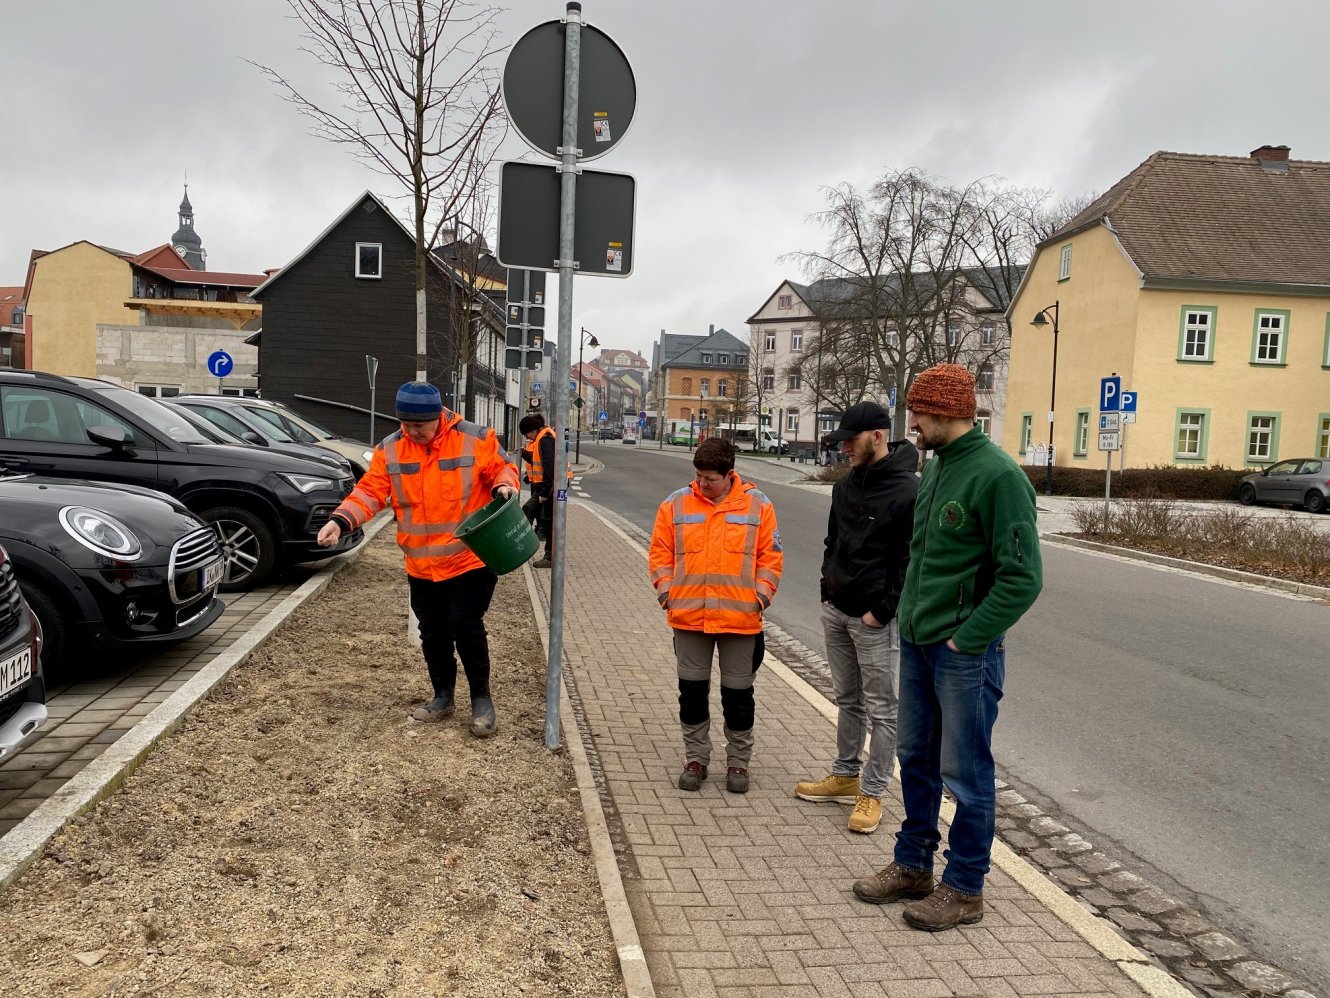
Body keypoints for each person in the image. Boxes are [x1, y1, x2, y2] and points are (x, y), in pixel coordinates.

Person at [852, 363, 1043, 932]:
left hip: (964, 652)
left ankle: (964, 887)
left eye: (918, 412)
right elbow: (920, 558)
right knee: (916, 759)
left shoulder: (998, 476)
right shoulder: (936, 468)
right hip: (917, 642)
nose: (911, 421)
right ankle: (913, 866)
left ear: (943, 412)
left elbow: (1022, 577)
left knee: (965, 773)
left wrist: (967, 637)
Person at [317, 381, 519, 738]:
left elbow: (502, 467)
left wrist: (504, 485)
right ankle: (442, 696)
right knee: (433, 632)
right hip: (421, 564)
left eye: (419, 427)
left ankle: (481, 700)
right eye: (405, 425)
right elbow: (369, 491)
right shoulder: (390, 450)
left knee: (465, 623)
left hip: (469, 558)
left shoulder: (475, 438)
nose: (412, 432)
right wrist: (340, 519)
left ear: (439, 417)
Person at [794, 401, 917, 835]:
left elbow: (907, 560)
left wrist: (881, 612)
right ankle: (845, 775)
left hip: (873, 621)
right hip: (837, 610)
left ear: (877, 436)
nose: (844, 447)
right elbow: (834, 541)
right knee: (848, 700)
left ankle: (873, 790)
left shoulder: (908, 490)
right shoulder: (845, 486)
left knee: (882, 710)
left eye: (851, 440)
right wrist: (828, 591)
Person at [648, 438, 782, 794]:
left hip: (741, 620)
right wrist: (667, 593)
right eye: (698, 477)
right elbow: (660, 552)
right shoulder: (675, 504)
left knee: (738, 696)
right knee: (691, 693)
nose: (702, 484)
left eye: (710, 479)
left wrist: (761, 597)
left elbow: (771, 557)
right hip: (689, 618)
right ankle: (696, 759)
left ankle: (738, 763)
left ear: (730, 474)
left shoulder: (758, 505)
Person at [519, 413, 560, 567]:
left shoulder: (545, 439)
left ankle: (549, 557)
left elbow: (550, 467)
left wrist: (544, 492)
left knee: (544, 518)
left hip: (549, 487)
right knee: (536, 515)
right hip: (547, 486)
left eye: (526, 433)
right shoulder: (542, 438)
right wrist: (523, 453)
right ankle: (524, 546)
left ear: (532, 430)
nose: (527, 437)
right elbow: (539, 462)